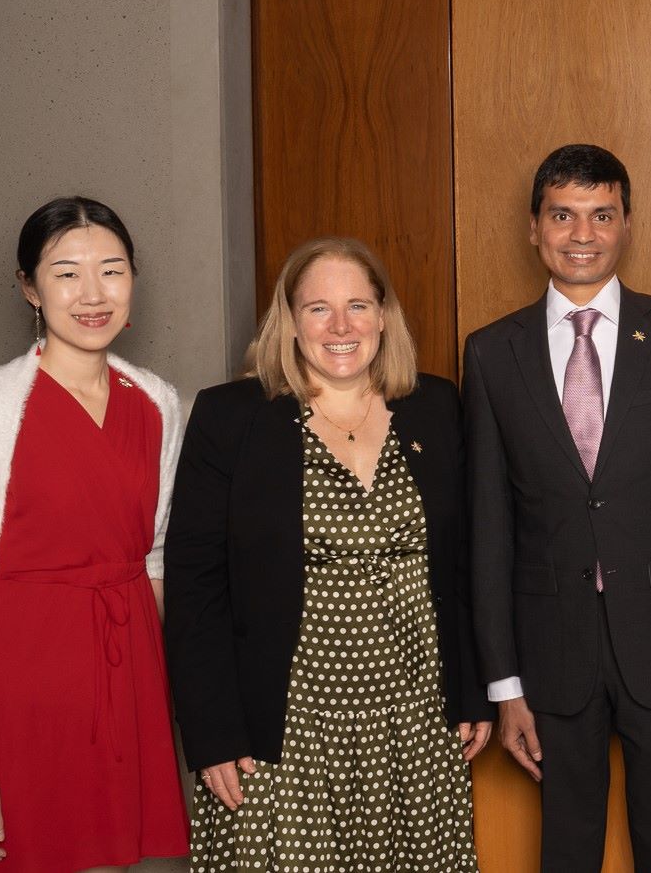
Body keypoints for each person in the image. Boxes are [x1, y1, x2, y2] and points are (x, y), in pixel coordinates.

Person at [162, 237, 491, 871]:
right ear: (288, 321)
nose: (341, 327)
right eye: (318, 309)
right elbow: (195, 587)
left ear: (384, 317)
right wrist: (212, 734)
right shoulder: (230, 418)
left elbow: (463, 562)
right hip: (283, 731)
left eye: (358, 306)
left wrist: (470, 691)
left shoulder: (434, 406)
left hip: (414, 724)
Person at [464, 143, 651, 872]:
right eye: (563, 215)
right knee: (567, 850)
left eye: (601, 215)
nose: (581, 234)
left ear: (626, 225)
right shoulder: (492, 352)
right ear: (534, 227)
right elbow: (489, 530)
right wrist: (504, 683)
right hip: (551, 654)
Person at [0, 196, 189, 871]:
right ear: (30, 288)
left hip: (124, 680)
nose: (93, 294)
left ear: (133, 282)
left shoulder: (156, 400)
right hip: (21, 686)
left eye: (112, 271)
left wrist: (169, 707)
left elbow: (154, 556)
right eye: (67, 273)